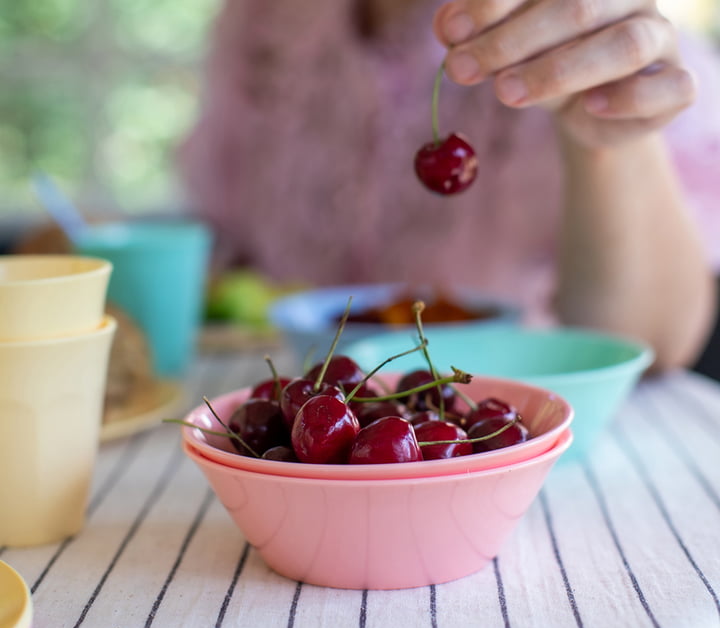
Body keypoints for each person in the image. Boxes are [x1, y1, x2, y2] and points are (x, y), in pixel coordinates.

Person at [178, 0, 720, 371]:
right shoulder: (263, 25)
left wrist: (607, 136)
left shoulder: (593, 30)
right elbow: (228, 248)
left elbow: (651, 345)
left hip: (498, 449)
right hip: (308, 434)